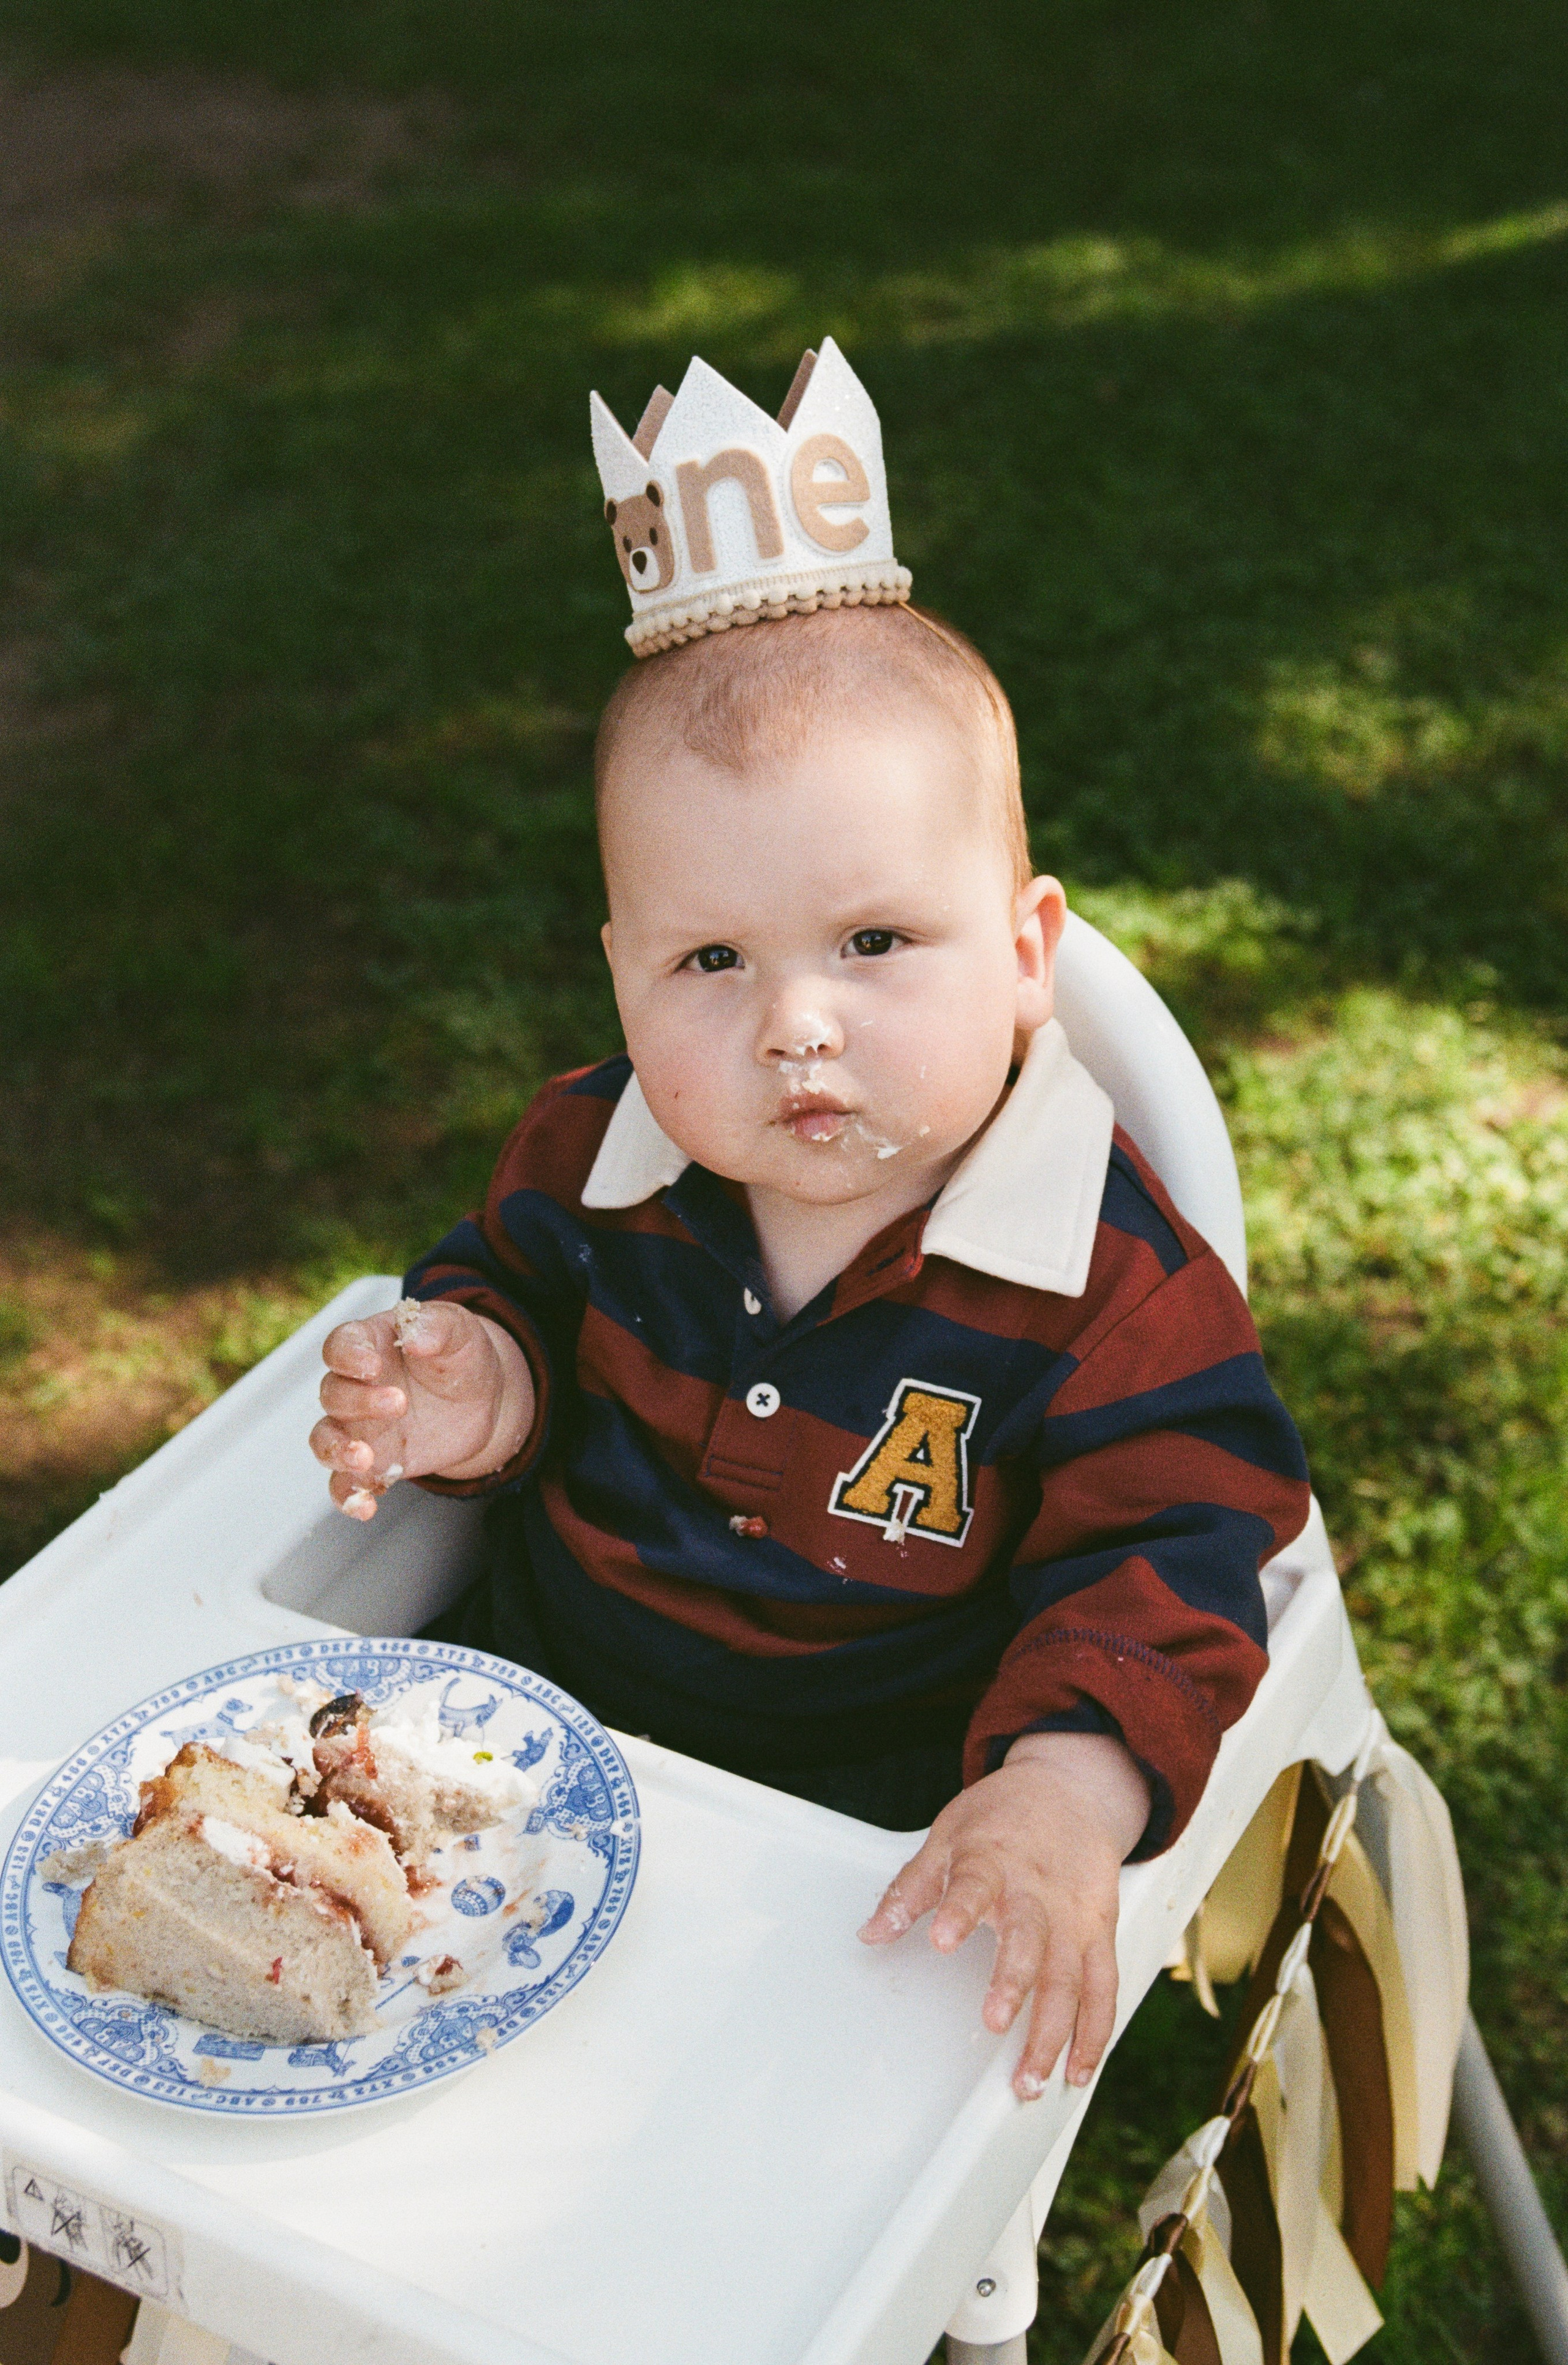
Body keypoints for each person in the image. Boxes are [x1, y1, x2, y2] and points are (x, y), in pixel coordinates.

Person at [309, 345, 1310, 2102]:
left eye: (873, 944)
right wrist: (480, 1387)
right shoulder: (586, 1157)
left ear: (1024, 952)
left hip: (868, 1849)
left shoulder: (1110, 1287)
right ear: (622, 979)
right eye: (712, 961)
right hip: (530, 1771)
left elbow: (1176, 1558)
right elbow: (511, 1300)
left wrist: (1062, 1790)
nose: (795, 1026)